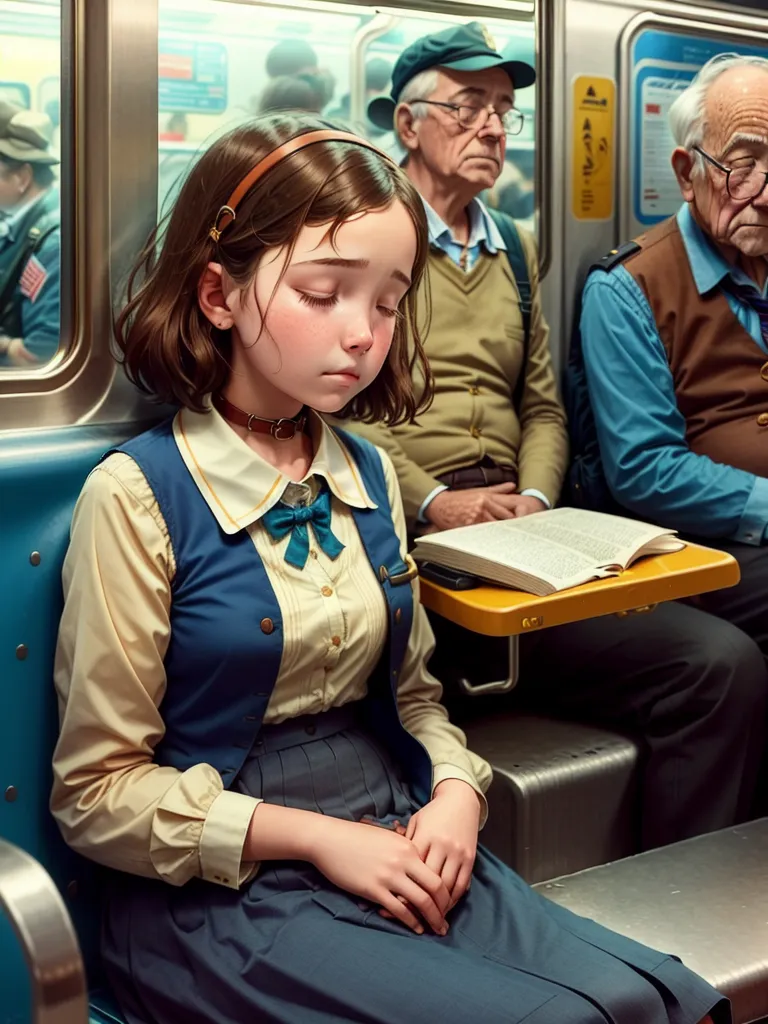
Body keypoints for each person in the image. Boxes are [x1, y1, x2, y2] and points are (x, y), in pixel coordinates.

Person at [50, 114, 726, 1024]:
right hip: (218, 889)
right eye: (324, 293)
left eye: (388, 300)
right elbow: (96, 796)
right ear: (217, 292)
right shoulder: (140, 496)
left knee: (662, 997)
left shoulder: (367, 471)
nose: (364, 335)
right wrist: (319, 840)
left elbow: (413, 704)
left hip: (400, 829)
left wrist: (454, 793)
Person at [340, 23, 767, 851]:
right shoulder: (368, 241)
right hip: (412, 523)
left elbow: (542, 406)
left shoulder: (513, 247)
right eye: (468, 107)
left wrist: (537, 497)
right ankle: (680, 904)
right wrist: (434, 499)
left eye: (504, 110)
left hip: (523, 523)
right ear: (406, 122)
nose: (494, 128)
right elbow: (342, 408)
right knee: (715, 666)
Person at [575, 54, 768, 683]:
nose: (764, 195)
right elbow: (645, 469)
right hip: (700, 548)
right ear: (688, 173)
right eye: (743, 167)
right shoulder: (628, 287)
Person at [0, 104, 60, 366]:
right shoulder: (20, 219)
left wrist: (4, 345)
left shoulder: (53, 244)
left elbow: (42, 352)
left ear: (23, 177)